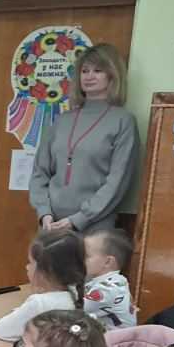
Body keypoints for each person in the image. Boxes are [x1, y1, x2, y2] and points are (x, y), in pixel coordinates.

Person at [29, 43, 138, 234]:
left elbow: (117, 182)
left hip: (95, 228)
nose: (89, 76)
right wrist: (44, 212)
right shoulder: (62, 120)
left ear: (112, 75)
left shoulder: (123, 121)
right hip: (51, 226)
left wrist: (79, 219)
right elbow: (40, 172)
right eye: (84, 71)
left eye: (98, 71)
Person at [0, 229, 87, 342]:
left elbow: (1, 331)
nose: (27, 267)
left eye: (31, 262)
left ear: (47, 270)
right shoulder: (74, 293)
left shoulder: (39, 303)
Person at [82, 227, 137, 328]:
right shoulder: (116, 281)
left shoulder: (107, 289)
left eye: (86, 256)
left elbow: (72, 309)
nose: (80, 259)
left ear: (107, 262)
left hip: (115, 338)